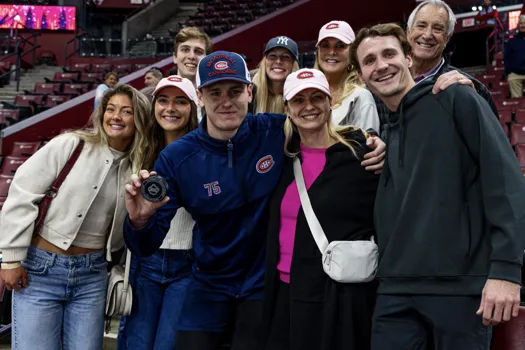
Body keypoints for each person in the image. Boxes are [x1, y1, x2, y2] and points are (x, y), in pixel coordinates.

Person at [123, 51, 386, 350]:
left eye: (235, 91)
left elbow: (325, 136)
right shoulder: (177, 157)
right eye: (215, 92)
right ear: (199, 96)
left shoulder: (275, 131)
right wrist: (139, 219)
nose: (226, 101)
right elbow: (145, 244)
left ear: (249, 91)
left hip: (262, 287)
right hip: (209, 286)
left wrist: (372, 142)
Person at [350, 22, 525, 350]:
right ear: (361, 75)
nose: (381, 65)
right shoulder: (384, 133)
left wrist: (506, 270)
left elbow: (505, 183)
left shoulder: (456, 97)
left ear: (409, 59)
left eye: (389, 54)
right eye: (369, 60)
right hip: (393, 291)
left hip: (459, 290)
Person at [0, 84, 154, 350]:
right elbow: (22, 193)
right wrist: (11, 259)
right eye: (111, 109)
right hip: (41, 271)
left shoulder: (137, 167)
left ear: (139, 118)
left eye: (126, 111)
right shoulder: (71, 144)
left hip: (92, 275)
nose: (116, 116)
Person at [261, 68, 378, 350]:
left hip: (339, 294)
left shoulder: (361, 153)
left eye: (317, 97)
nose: (309, 106)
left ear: (330, 102)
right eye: (299, 100)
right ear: (287, 108)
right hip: (285, 290)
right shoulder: (282, 157)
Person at [117, 76, 199, 350]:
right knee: (137, 344)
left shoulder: (205, 150)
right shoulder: (140, 149)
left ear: (193, 108)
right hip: (146, 262)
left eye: (180, 101)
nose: (170, 108)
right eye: (163, 100)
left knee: (168, 345)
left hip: (187, 263)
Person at [372, 0, 498, 131]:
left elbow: (490, 142)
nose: (427, 35)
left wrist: (470, 104)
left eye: (437, 29)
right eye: (421, 26)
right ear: (408, 32)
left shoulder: (472, 89)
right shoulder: (384, 82)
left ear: (447, 38)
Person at [314, 20, 380, 131]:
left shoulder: (361, 97)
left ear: (352, 52)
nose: (332, 52)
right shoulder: (306, 92)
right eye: (325, 46)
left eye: (340, 46)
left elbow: (367, 146)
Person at [251, 36, 300, 114]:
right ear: (265, 61)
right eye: (273, 56)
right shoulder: (249, 92)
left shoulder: (302, 94)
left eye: (286, 57)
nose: (278, 61)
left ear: (294, 65)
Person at [504, 15, 525, 98]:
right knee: (512, 78)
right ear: (518, 25)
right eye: (521, 23)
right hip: (516, 74)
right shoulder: (512, 41)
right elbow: (506, 57)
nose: (523, 25)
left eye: (524, 23)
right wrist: (509, 72)